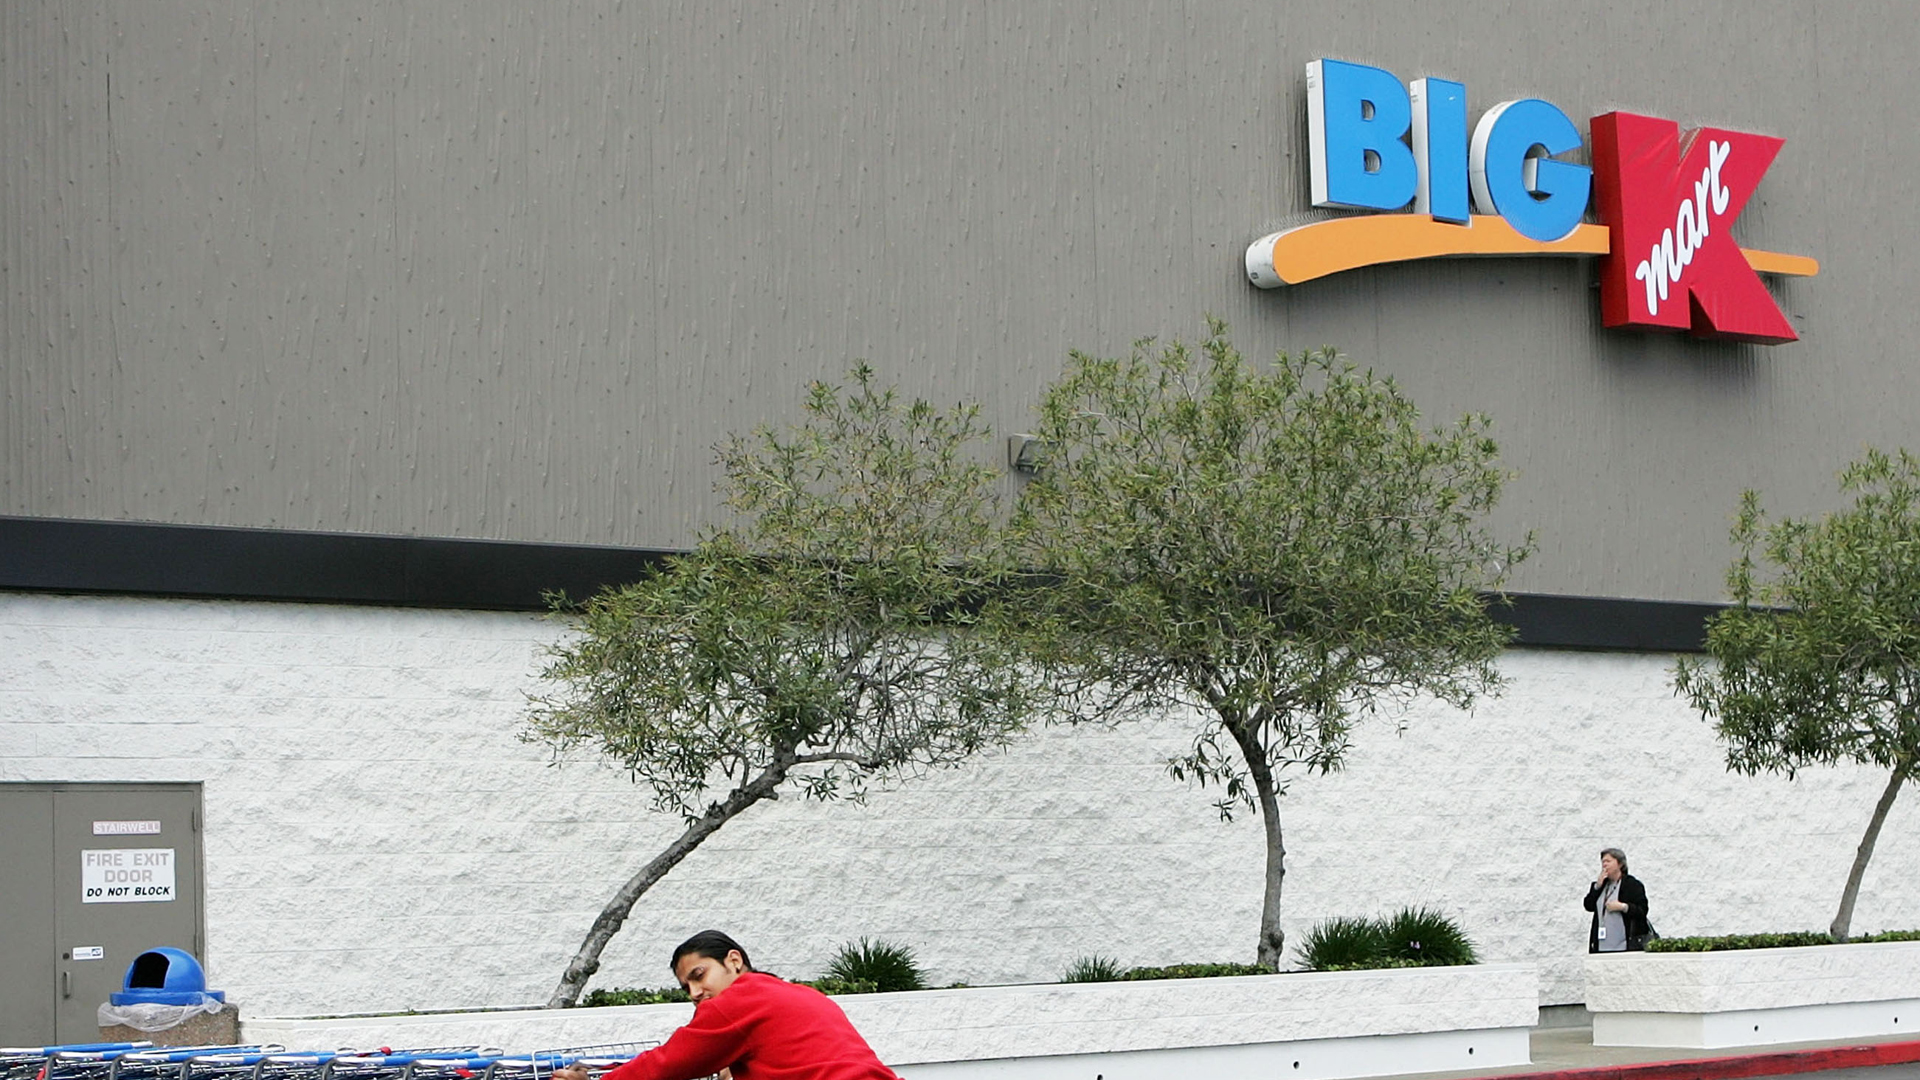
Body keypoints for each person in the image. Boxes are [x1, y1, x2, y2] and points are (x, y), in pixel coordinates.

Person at [553, 930, 902, 1080]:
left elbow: (668, 1063)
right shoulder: (801, 993)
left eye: (699, 974)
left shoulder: (737, 1001)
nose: (694, 991)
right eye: (685, 986)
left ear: (734, 961)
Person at [1583, 847, 1651, 952]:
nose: (1604, 865)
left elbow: (1642, 910)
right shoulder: (1600, 886)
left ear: (1620, 864)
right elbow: (1588, 905)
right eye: (1603, 862)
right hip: (1600, 945)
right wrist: (1597, 887)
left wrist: (1623, 907)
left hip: (1624, 944)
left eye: (1608, 861)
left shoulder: (1632, 885)